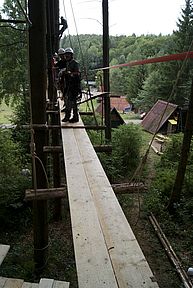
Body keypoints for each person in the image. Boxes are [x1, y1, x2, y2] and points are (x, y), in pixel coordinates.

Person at [61, 47, 81, 123]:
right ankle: (68, 116)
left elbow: (78, 73)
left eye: (68, 55)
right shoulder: (68, 64)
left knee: (73, 102)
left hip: (74, 86)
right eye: (66, 55)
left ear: (71, 55)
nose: (67, 56)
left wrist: (70, 74)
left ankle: (74, 117)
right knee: (69, 101)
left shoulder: (75, 63)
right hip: (69, 85)